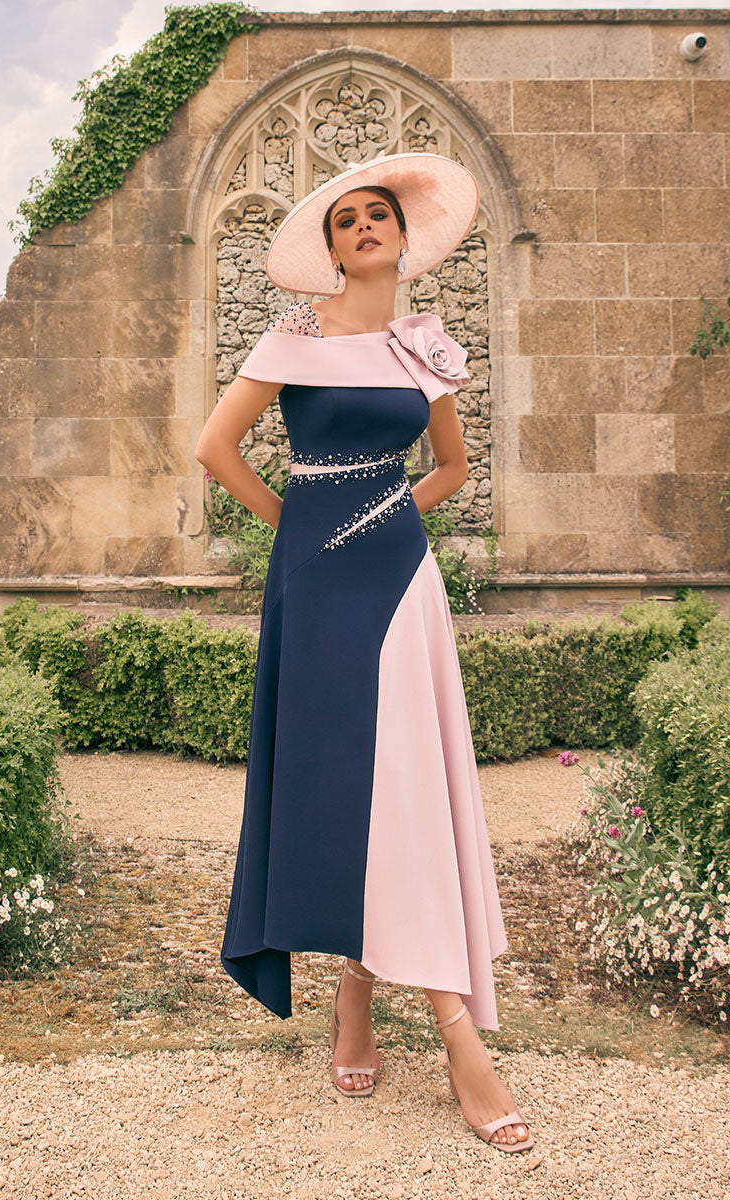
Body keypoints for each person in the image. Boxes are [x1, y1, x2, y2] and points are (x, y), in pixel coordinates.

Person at [195, 152, 534, 1154]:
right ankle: (367, 990)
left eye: (378, 213)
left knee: (408, 787)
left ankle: (423, 1015)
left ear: (401, 234)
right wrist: (293, 530)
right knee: (345, 786)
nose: (364, 227)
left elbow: (452, 469)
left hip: (399, 582)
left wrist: (387, 515)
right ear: (332, 246)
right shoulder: (292, 339)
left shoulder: (425, 346)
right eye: (346, 220)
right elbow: (215, 448)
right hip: (317, 589)